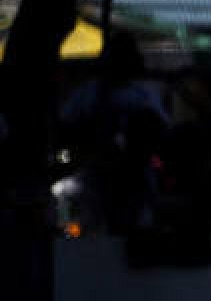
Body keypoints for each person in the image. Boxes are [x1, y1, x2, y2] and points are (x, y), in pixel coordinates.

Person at [59, 32, 169, 234]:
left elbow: (160, 129)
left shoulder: (143, 94)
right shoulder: (89, 93)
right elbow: (66, 125)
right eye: (114, 58)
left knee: (136, 224)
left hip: (135, 175)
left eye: (124, 59)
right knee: (93, 224)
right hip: (95, 171)